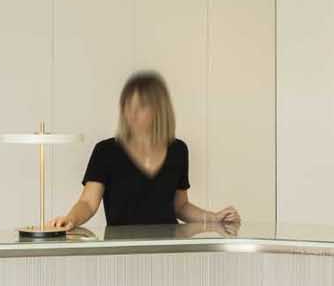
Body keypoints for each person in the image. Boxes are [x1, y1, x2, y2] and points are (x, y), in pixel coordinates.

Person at [51, 70, 239, 233]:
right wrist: (71, 219)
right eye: (127, 105)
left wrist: (213, 218)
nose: (131, 113)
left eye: (141, 107)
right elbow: (88, 203)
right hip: (122, 252)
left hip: (169, 251)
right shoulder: (106, 151)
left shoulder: (178, 150)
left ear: (159, 109)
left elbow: (180, 206)